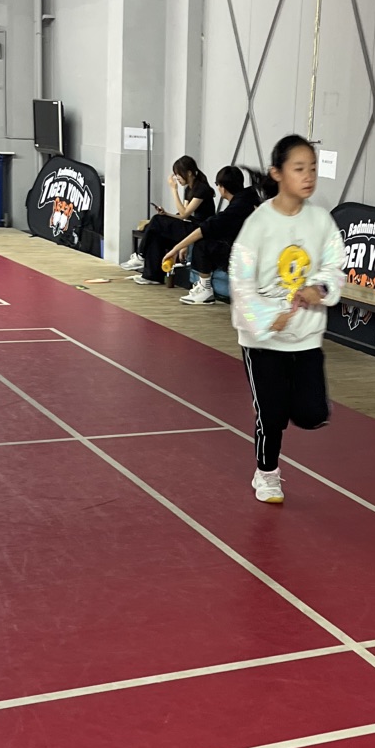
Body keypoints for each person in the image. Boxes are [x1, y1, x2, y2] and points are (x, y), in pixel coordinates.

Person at [228, 135, 345, 505]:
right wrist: (265, 318)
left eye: (313, 168)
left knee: (312, 414)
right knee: (272, 415)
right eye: (299, 169)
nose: (308, 176)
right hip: (263, 340)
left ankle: (279, 400)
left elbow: (335, 265)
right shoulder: (257, 225)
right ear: (277, 173)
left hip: (306, 336)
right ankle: (266, 474)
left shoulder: (321, 220)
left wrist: (320, 288)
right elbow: (240, 282)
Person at [163, 166, 258, 305]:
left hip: (244, 254)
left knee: (203, 243)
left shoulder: (237, 207)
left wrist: (175, 249)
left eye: (217, 185)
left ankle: (205, 289)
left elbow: (204, 228)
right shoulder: (247, 199)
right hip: (245, 248)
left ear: (222, 188)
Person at [123, 157, 214, 285]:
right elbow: (183, 216)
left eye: (178, 175)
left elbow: (184, 214)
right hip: (190, 225)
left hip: (200, 229)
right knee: (155, 231)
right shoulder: (189, 189)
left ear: (189, 173)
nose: (177, 178)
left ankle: (140, 255)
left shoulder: (202, 189)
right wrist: (166, 214)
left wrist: (174, 190)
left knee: (156, 221)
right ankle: (152, 276)